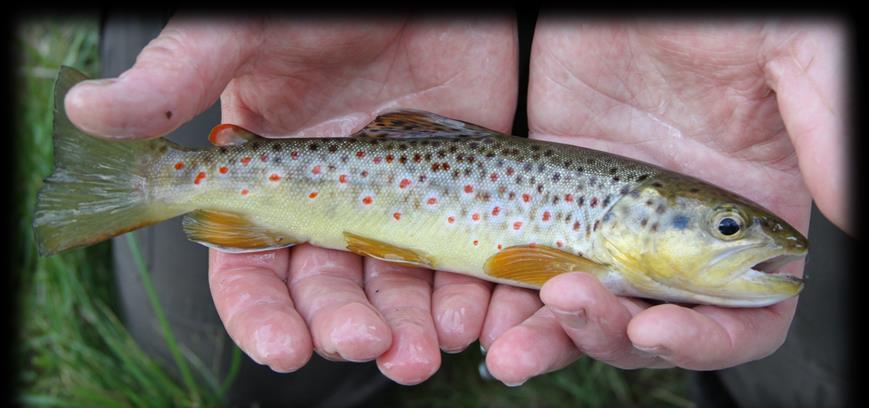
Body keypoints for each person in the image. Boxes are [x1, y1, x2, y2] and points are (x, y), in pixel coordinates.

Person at [66, 13, 848, 397]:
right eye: (724, 226)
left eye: (726, 225)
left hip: (666, 79)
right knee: (213, 356)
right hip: (332, 66)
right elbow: (523, 264)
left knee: (811, 373)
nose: (741, 236)